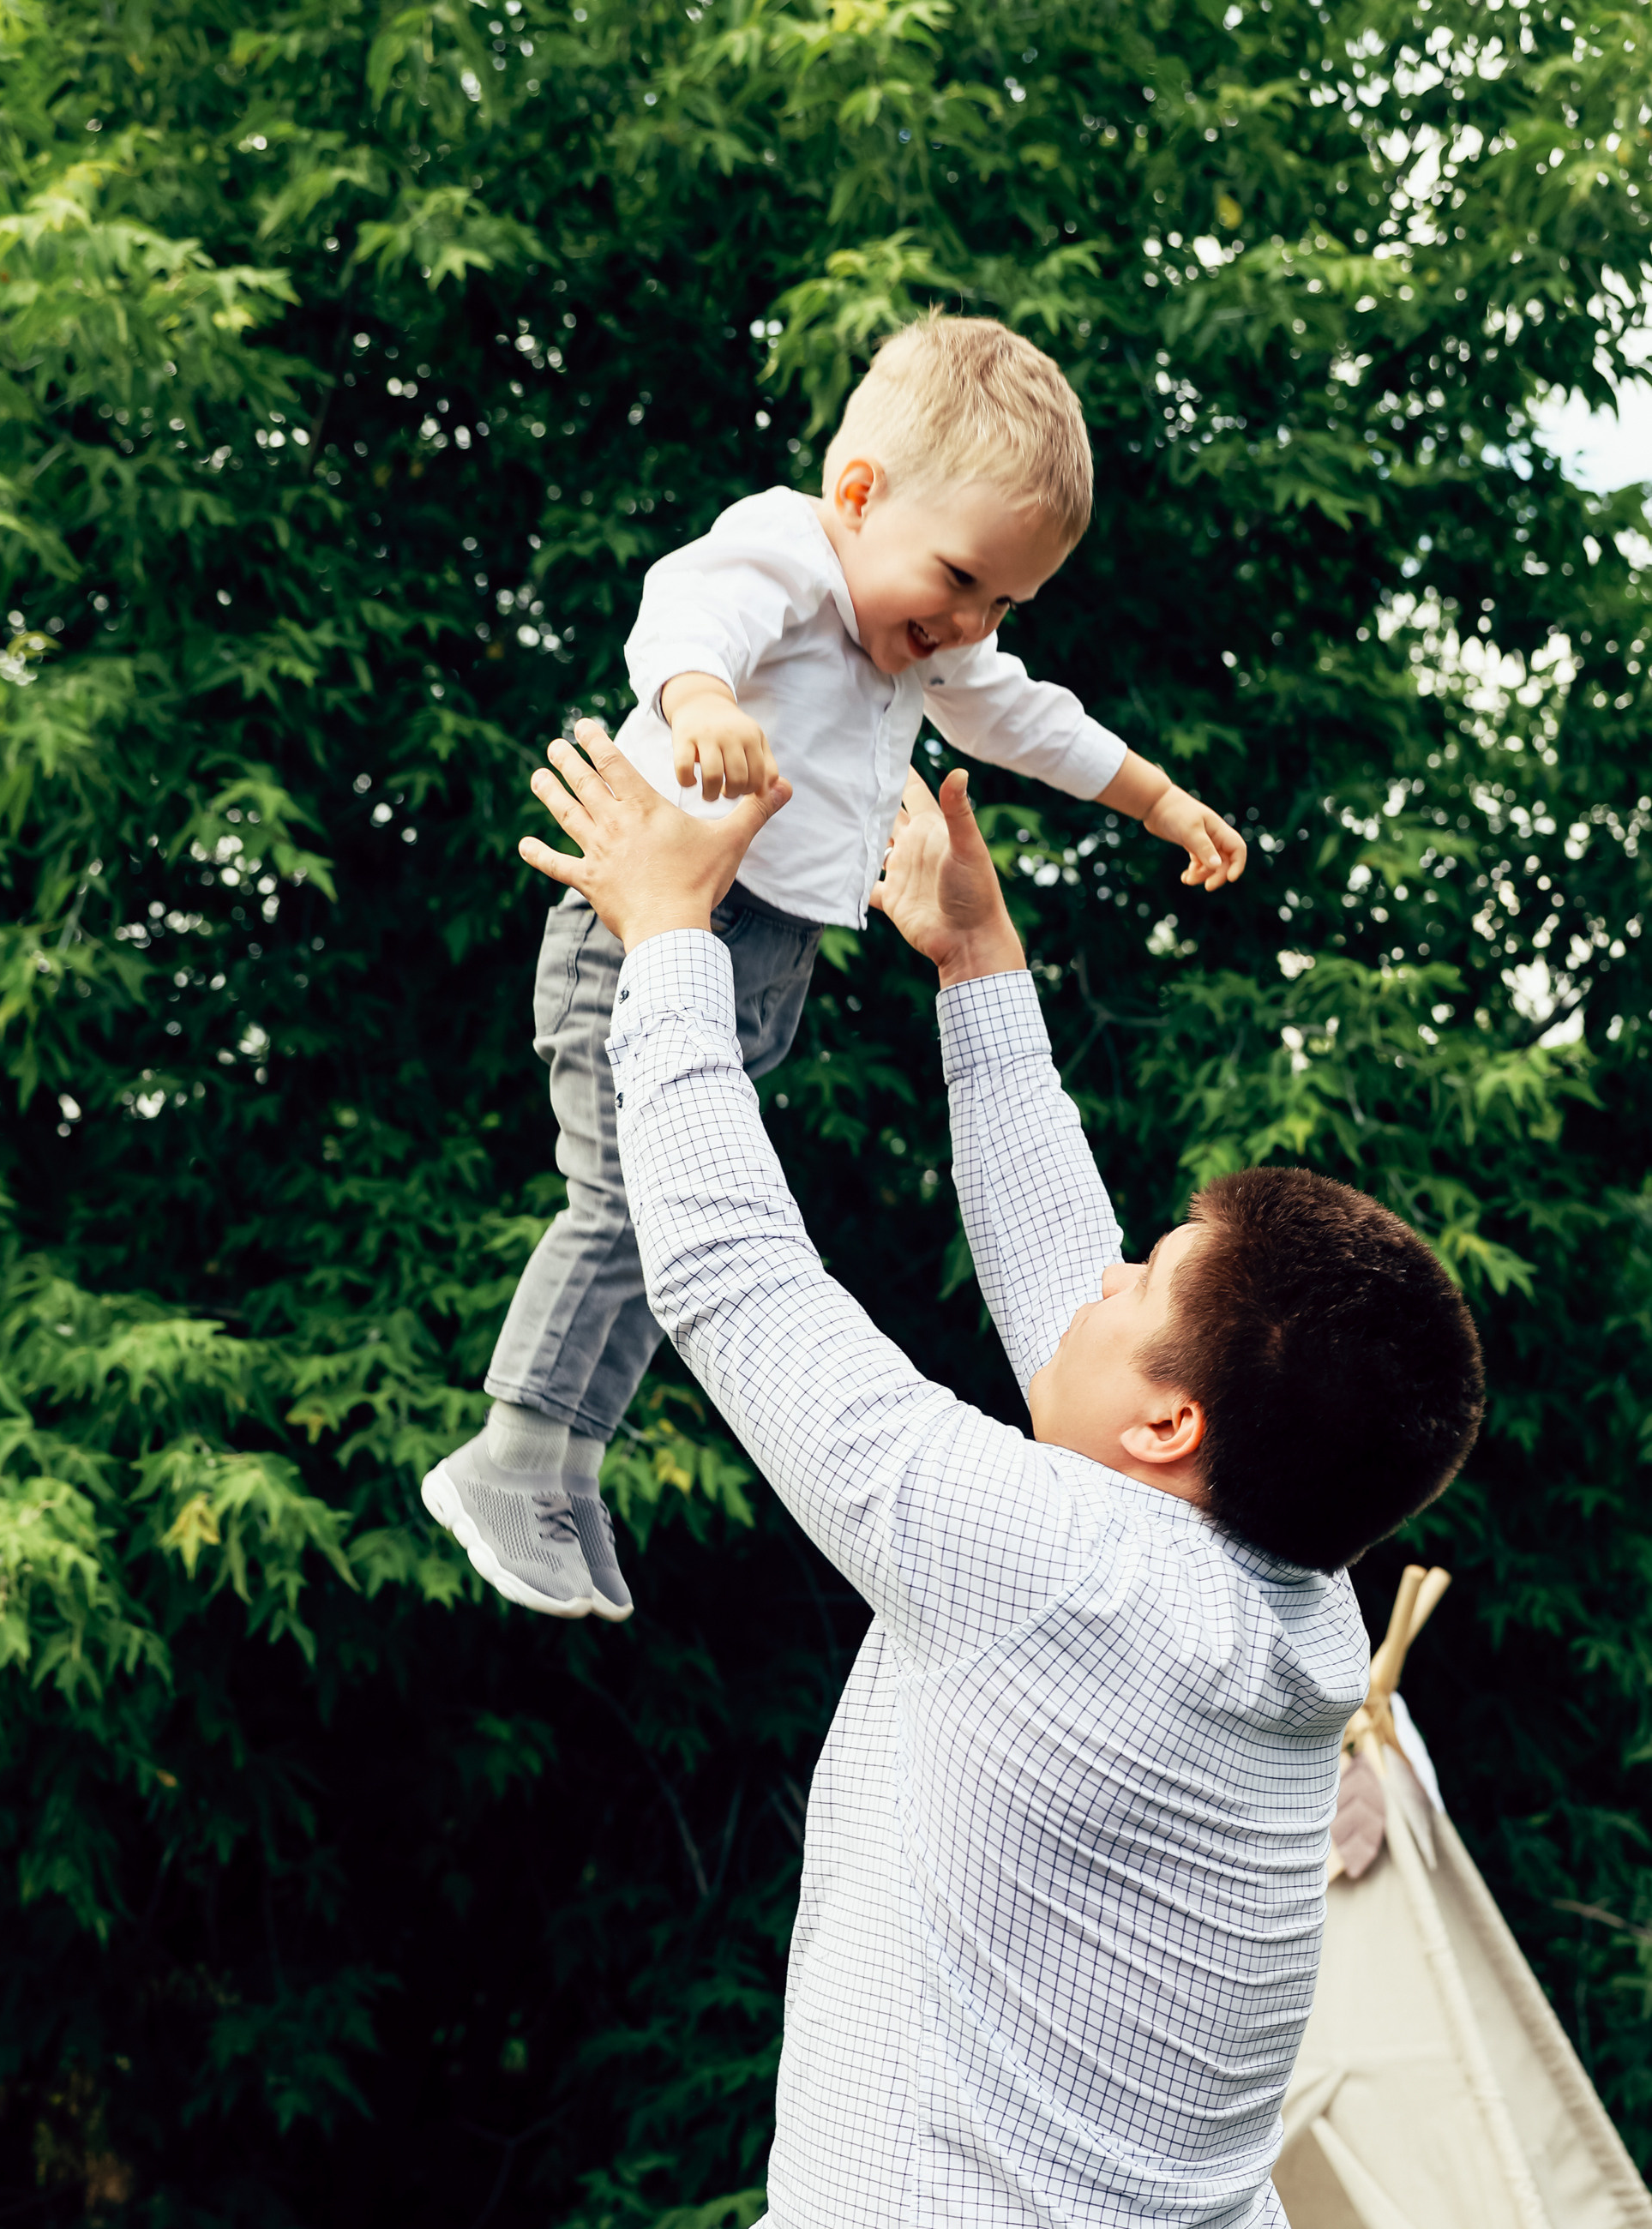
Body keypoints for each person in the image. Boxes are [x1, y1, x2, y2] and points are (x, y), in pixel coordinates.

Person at [507, 720, 1485, 2228]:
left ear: (1172, 1428)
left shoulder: (1062, 1572)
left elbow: (732, 1280)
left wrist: (669, 940)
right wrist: (979, 966)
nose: (1099, 1280)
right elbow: (1068, 1309)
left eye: (1143, 1275)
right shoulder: (1286, 1606)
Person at [422, 314, 1247, 1621]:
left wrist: (1153, 800)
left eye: (1002, 605)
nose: (967, 624)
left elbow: (1026, 716)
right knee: (635, 1200)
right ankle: (515, 1451)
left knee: (684, 1210)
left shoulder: (933, 635)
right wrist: (700, 704)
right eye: (960, 578)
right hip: (640, 927)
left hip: (761, 961)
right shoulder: (788, 555)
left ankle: (569, 1462)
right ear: (859, 496)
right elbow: (685, 612)